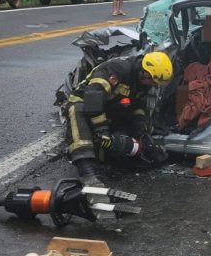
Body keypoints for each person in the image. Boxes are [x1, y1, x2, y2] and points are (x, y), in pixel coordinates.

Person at [65, 50, 173, 182]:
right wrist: (102, 130)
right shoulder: (117, 69)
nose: (154, 86)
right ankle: (85, 168)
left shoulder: (142, 81)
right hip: (86, 103)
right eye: (154, 82)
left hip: (110, 109)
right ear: (145, 74)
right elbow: (93, 96)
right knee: (77, 110)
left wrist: (141, 128)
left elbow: (139, 105)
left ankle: (102, 155)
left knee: (121, 144)